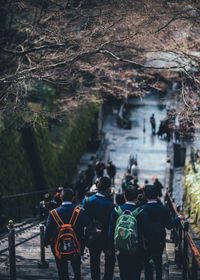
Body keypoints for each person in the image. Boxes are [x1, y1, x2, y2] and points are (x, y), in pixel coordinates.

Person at [45, 188, 90, 280]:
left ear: (61, 198)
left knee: (62, 271)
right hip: (77, 245)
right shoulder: (79, 211)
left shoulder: (53, 213)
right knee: (77, 268)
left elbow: (48, 230)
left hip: (58, 245)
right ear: (73, 198)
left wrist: (45, 242)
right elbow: (88, 225)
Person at [108, 185, 151, 280]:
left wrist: (110, 248)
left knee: (123, 273)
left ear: (124, 196)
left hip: (121, 248)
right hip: (137, 249)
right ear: (137, 197)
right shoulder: (141, 212)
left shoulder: (116, 211)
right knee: (135, 274)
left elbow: (111, 231)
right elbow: (148, 233)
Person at [143, 185, 184, 280]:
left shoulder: (142, 209)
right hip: (159, 238)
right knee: (158, 261)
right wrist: (178, 218)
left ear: (145, 195)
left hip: (146, 239)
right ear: (157, 195)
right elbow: (169, 225)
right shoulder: (163, 209)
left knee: (146, 262)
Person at [83, 176, 115, 280]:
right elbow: (111, 226)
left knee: (94, 262)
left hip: (92, 236)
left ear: (97, 186)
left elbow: (84, 219)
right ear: (108, 188)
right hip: (106, 237)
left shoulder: (87, 200)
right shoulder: (111, 205)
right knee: (110, 261)